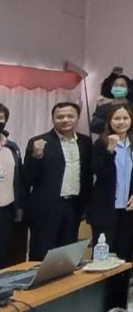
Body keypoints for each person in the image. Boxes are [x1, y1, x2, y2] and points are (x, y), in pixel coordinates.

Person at [23, 102, 93, 260]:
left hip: (74, 207)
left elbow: (87, 175)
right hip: (46, 208)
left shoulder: (85, 142)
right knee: (41, 254)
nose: (65, 120)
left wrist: (86, 205)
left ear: (77, 118)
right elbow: (27, 177)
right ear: (53, 119)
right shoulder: (39, 141)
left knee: (67, 256)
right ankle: (39, 285)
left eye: (70, 116)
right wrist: (36, 156)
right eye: (60, 117)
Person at [88, 105, 133, 260]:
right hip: (106, 208)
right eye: (117, 118)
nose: (121, 122)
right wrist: (110, 150)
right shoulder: (100, 144)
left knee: (124, 252)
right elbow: (100, 172)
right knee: (104, 253)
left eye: (125, 118)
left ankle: (120, 284)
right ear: (109, 121)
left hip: (128, 207)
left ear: (131, 120)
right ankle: (103, 285)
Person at [0, 104, 25, 269]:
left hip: (6, 210)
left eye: (1, 117)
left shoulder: (12, 147)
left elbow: (19, 179)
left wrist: (19, 208)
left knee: (3, 253)